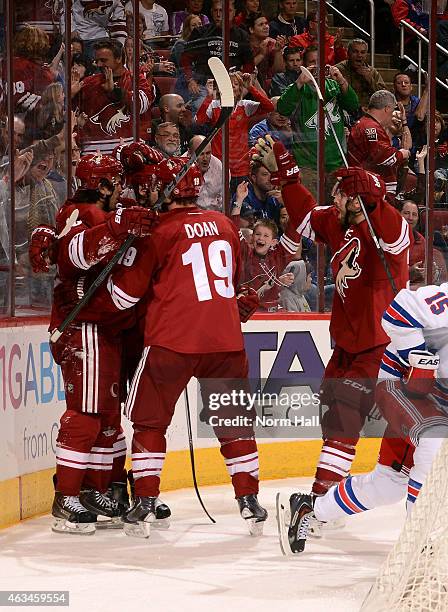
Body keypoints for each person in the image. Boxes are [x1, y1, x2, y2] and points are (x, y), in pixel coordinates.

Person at [67, 159, 268, 538]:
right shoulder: (225, 224)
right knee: (235, 422)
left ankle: (144, 500)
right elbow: (232, 283)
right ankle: (249, 499)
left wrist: (79, 303)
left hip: (172, 343)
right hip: (225, 342)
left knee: (149, 422)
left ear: (166, 188)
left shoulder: (156, 232)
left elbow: (125, 296)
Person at [253, 136, 411, 524]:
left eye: (341, 194)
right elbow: (306, 213)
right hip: (345, 343)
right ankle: (332, 501)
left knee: (343, 420)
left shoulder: (387, 228)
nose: (334, 198)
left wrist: (375, 204)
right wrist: (286, 171)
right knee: (331, 418)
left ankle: (318, 506)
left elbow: (395, 234)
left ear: (358, 203)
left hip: (380, 344)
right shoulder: (338, 222)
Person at [34, 153, 158, 534]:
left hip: (104, 325)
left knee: (107, 416)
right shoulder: (82, 212)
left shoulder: (101, 211)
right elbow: (74, 255)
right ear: (102, 186)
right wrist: (117, 229)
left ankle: (96, 489)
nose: (121, 188)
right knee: (86, 414)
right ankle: (67, 496)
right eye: (116, 182)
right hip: (82, 322)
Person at [277, 281, 448, 554]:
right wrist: (418, 358)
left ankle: (311, 508)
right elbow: (399, 310)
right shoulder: (445, 302)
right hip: (403, 388)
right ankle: (420, 547)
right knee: (435, 439)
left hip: (438, 404)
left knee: (389, 484)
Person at [277, 46, 359, 198]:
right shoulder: (297, 88)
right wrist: (300, 82)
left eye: (319, 62)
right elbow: (282, 108)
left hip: (336, 163)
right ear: (304, 65)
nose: (316, 66)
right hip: (308, 165)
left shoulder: (334, 85)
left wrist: (341, 80)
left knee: (336, 211)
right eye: (312, 62)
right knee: (312, 210)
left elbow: (353, 105)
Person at [196, 71, 274, 192]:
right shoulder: (214, 105)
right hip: (219, 167)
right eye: (227, 84)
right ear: (220, 88)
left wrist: (250, 87)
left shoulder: (245, 106)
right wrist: (210, 95)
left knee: (240, 203)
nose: (231, 86)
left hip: (241, 167)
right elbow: (199, 121)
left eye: (235, 84)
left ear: (240, 88)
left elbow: (269, 107)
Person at [75, 39, 154, 155]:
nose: (99, 64)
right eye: (97, 61)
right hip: (93, 153)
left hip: (128, 151)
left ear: (118, 59)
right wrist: (70, 96)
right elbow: (73, 116)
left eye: (103, 60)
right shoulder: (88, 83)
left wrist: (115, 91)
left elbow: (141, 106)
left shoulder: (135, 80)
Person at [180, 0, 254, 113]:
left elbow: (249, 64)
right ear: (211, 12)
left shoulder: (242, 36)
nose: (219, 15)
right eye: (216, 11)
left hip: (231, 87)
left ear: (234, 12)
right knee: (203, 109)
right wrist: (190, 80)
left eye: (225, 11)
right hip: (205, 85)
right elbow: (185, 59)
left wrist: (242, 81)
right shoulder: (200, 33)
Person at [348, 90, 411, 194]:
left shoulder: (364, 123)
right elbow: (383, 157)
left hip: (366, 183)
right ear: (387, 109)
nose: (391, 116)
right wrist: (402, 154)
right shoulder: (372, 127)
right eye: (392, 111)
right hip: (371, 188)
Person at [334, 39, 386, 114]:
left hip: (368, 113)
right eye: (355, 52)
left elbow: (384, 95)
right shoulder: (339, 70)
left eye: (363, 52)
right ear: (348, 53)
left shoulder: (372, 72)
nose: (359, 55)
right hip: (344, 112)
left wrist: (370, 80)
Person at [63, 0, 127, 59]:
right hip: (77, 38)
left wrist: (119, 47)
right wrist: (70, 29)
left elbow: (119, 23)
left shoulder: (117, 2)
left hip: (101, 37)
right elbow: (64, 9)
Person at [188, 134, 224, 211]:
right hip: (191, 214)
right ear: (190, 153)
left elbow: (222, 199)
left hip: (213, 214)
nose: (205, 158)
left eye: (208, 153)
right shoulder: (181, 170)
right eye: (201, 154)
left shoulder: (219, 167)